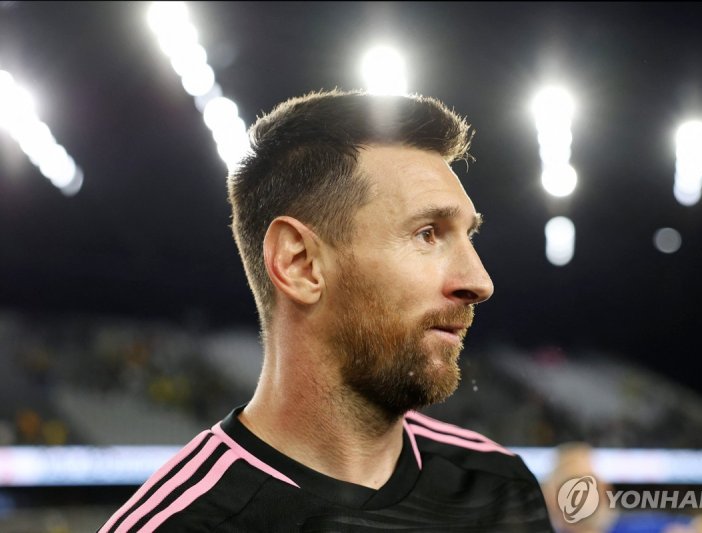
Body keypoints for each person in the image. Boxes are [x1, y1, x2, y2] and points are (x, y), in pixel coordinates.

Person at [99, 89, 554, 532]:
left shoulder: (501, 488)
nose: (479, 282)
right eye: (428, 234)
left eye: (467, 236)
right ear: (300, 263)